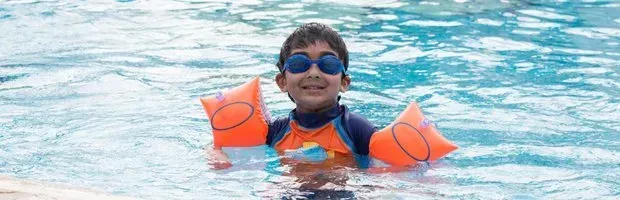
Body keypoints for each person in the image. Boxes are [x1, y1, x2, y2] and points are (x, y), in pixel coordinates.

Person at [207, 22, 376, 196]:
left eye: (328, 64)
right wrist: (215, 153)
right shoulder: (274, 133)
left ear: (344, 83)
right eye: (299, 64)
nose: (314, 73)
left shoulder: (357, 130)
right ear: (282, 82)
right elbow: (224, 146)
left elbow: (385, 171)